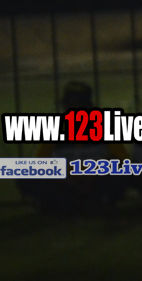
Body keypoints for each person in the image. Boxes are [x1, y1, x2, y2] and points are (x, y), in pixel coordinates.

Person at [18, 82, 129, 215]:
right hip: (63, 183)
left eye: (80, 105)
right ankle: (74, 203)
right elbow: (39, 162)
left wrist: (93, 175)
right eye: (71, 105)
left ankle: (84, 202)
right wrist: (63, 177)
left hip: (95, 182)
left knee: (121, 175)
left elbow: (123, 161)